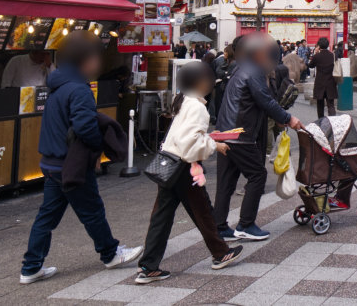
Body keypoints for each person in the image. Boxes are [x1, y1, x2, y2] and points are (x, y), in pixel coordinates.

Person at [20, 32, 143, 284]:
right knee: (92, 210)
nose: (98, 63)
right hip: (71, 163)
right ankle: (110, 253)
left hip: (52, 163)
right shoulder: (79, 90)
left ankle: (31, 267)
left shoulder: (58, 85)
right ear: (84, 61)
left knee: (47, 216)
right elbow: (85, 126)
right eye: (95, 58)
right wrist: (97, 151)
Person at [135, 62, 243, 283]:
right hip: (184, 167)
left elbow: (186, 137)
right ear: (200, 82)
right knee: (202, 211)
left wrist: (210, 138)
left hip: (170, 166)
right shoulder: (197, 107)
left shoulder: (184, 100)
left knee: (162, 217)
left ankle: (148, 266)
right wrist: (215, 145)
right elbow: (189, 144)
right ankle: (220, 253)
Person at [214, 34, 303, 241]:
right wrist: (289, 118)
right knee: (257, 175)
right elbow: (265, 101)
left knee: (226, 182)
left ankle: (219, 226)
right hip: (239, 134)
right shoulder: (253, 72)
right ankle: (246, 224)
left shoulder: (240, 69)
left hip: (225, 132)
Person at [308, 37, 337, 118]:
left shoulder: (317, 56)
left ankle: (321, 122)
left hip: (320, 82)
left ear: (319, 46)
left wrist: (315, 53)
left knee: (320, 104)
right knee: (330, 104)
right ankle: (333, 121)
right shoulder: (332, 55)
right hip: (330, 82)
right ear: (327, 45)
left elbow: (310, 65)